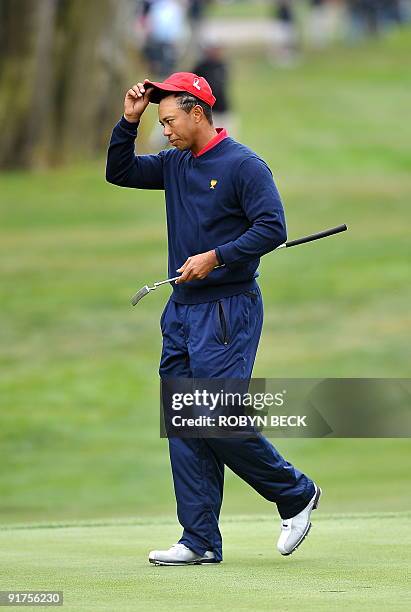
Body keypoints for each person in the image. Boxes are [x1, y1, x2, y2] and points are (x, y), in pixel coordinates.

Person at [106, 72, 321, 565]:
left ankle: (295, 493)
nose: (165, 132)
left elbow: (272, 227)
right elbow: (119, 171)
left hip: (228, 309)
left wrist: (217, 256)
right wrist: (128, 119)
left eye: (170, 120)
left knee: (217, 417)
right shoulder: (176, 163)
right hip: (180, 311)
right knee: (185, 421)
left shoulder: (244, 165)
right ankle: (198, 539)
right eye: (159, 124)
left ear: (197, 112)